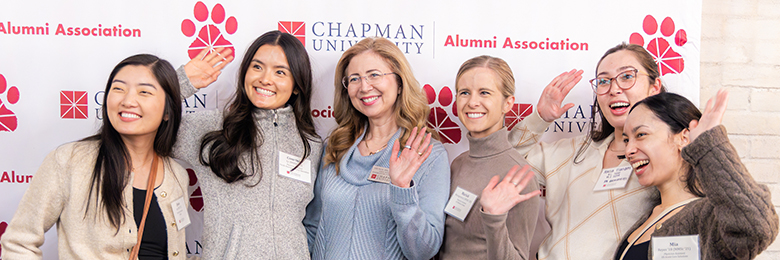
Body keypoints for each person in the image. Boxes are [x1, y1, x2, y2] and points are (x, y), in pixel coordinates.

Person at [1, 54, 188, 259]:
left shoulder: (177, 175)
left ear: (167, 112)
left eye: (144, 92)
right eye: (118, 89)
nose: (127, 100)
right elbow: (18, 242)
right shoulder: (68, 161)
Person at [173, 31, 322, 259]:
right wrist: (180, 83)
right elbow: (141, 124)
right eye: (257, 67)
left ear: (296, 85)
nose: (265, 79)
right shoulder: (211, 128)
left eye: (280, 72)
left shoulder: (311, 145)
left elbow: (313, 223)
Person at [507, 43, 664, 259]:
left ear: (654, 87)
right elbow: (504, 159)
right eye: (603, 81)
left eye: (627, 76)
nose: (614, 89)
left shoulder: (667, 158)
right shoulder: (573, 151)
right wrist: (539, 119)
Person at [303, 37, 450, 260]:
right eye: (354, 79)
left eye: (374, 75)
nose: (364, 87)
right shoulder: (334, 147)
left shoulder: (427, 154)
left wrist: (402, 189)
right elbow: (312, 229)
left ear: (400, 83)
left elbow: (423, 251)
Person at [615, 90, 778, 259]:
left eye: (641, 135)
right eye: (626, 140)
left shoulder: (708, 216)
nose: (629, 151)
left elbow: (756, 228)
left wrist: (708, 145)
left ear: (683, 138)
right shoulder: (648, 217)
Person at [439, 55, 542, 260]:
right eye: (464, 93)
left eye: (484, 93)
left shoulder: (520, 177)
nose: (472, 102)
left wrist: (493, 218)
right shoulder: (457, 163)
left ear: (508, 103)